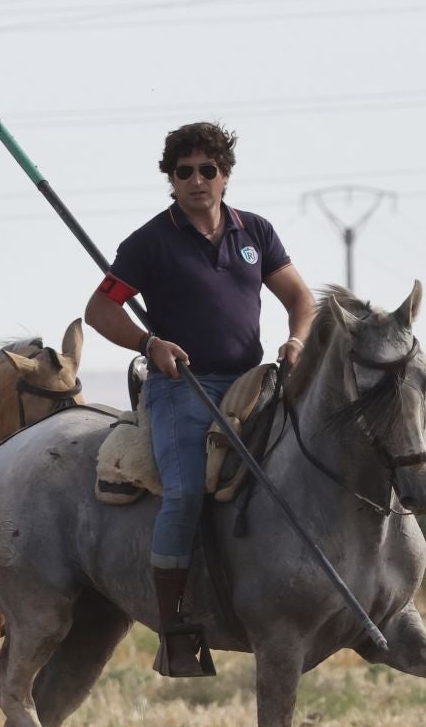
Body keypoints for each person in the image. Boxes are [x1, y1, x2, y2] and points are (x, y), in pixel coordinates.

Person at [83, 121, 318, 677]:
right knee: (186, 491)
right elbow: (100, 311)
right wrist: (149, 343)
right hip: (180, 386)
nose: (196, 180)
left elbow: (301, 300)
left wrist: (297, 341)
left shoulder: (255, 234)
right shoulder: (149, 243)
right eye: (183, 172)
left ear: (225, 176)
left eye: (207, 170)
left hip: (253, 382)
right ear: (170, 179)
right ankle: (176, 627)